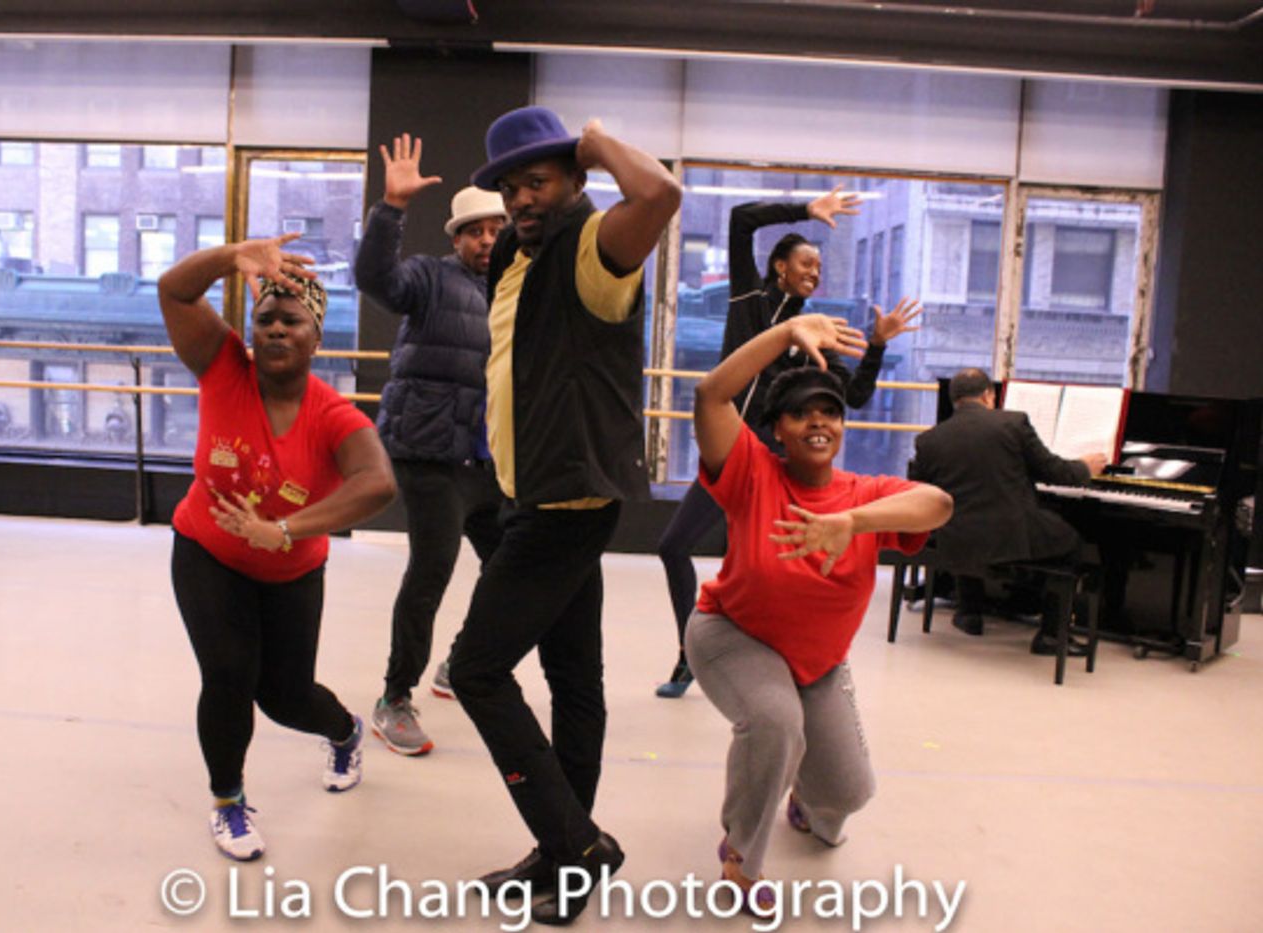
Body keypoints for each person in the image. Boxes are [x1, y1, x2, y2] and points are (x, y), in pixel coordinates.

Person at [446, 105, 681, 925]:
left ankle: (579, 846)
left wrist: (593, 141)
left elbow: (658, 193)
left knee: (475, 670)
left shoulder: (593, 242)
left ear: (575, 179)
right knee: (573, 677)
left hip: (568, 501)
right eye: (510, 186)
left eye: (537, 180)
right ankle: (563, 854)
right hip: (533, 494)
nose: (520, 199)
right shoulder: (516, 249)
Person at [685, 313, 951, 907]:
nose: (818, 422)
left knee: (850, 794)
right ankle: (741, 860)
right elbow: (711, 393)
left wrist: (853, 523)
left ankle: (803, 801)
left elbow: (937, 504)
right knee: (775, 723)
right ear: (778, 429)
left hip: (819, 663)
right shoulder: (752, 472)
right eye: (802, 412)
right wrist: (785, 334)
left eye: (829, 411)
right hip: (733, 635)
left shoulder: (864, 495)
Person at [158, 234, 397, 862]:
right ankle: (228, 802)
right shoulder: (220, 366)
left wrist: (285, 529)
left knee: (287, 696)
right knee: (229, 674)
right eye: (265, 319)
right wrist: (231, 255)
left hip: (291, 570)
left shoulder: (333, 415)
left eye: (292, 321)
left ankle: (343, 732)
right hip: (207, 551)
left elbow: (378, 483)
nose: (276, 330)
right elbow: (174, 290)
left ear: (316, 339)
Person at [655, 194, 923, 698]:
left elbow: (855, 397)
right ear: (779, 266)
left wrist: (879, 344)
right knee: (673, 546)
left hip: (776, 465)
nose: (815, 272)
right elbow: (739, 220)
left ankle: (762, 663)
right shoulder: (748, 300)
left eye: (820, 266)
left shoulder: (817, 332)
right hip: (734, 454)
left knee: (755, 568)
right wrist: (805, 209)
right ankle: (689, 656)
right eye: (806, 262)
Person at [355, 134, 507, 756]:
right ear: (457, 238)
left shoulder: (511, 292)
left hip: (488, 462)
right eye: (476, 232)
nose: (487, 241)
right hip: (430, 456)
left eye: (498, 230)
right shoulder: (427, 278)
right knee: (432, 573)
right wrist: (391, 208)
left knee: (512, 570)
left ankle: (460, 662)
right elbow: (375, 278)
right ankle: (394, 697)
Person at [910, 367, 1108, 654]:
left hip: (957, 536)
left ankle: (969, 612)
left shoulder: (930, 440)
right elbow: (1056, 472)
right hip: (1009, 534)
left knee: (967, 515)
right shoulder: (1013, 423)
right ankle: (1051, 635)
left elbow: (918, 488)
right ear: (989, 396)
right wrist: (1084, 467)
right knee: (1069, 541)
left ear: (954, 399)